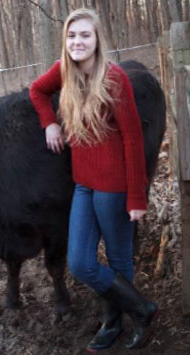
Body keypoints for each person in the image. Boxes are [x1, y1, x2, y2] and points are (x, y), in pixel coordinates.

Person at [29, 8, 157, 351]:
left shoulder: (115, 79)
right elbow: (37, 91)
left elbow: (132, 140)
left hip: (114, 186)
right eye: (71, 36)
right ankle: (142, 309)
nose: (77, 42)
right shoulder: (64, 72)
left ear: (98, 40)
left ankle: (114, 322)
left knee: (117, 259)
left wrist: (136, 198)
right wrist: (50, 124)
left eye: (85, 35)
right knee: (81, 262)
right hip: (83, 183)